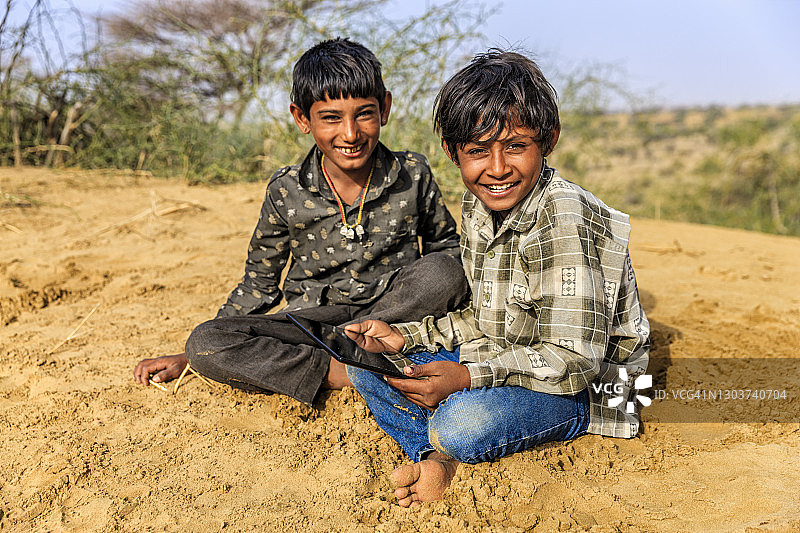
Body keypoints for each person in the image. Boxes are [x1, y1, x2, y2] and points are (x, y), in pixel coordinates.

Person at [344, 49, 650, 507]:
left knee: (461, 423)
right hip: (511, 357)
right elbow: (486, 320)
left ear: (549, 140)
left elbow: (575, 360)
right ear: (452, 151)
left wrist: (467, 377)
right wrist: (404, 337)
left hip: (593, 387)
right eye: (476, 151)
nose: (498, 167)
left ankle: (442, 443)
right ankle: (435, 458)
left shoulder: (565, 217)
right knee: (363, 364)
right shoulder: (480, 204)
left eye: (516, 146)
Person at [133, 38, 468, 405]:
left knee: (444, 272)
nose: (351, 133)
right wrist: (188, 358)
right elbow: (258, 285)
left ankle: (366, 352)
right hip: (313, 325)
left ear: (384, 108)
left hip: (393, 318)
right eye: (331, 118)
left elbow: (446, 251)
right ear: (302, 118)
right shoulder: (286, 189)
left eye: (364, 114)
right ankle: (341, 370)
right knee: (205, 341)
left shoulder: (412, 173)